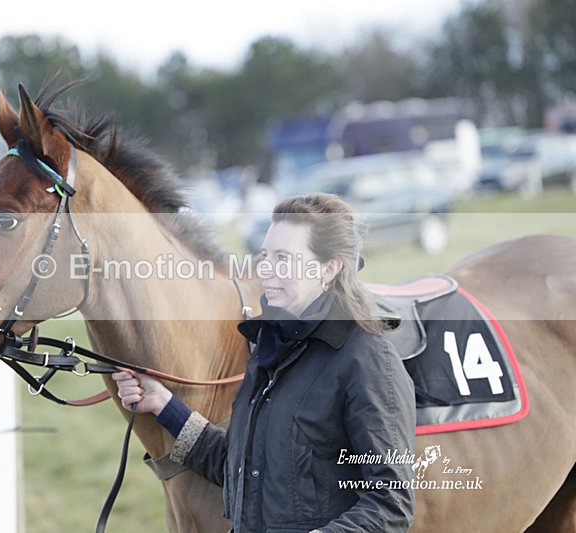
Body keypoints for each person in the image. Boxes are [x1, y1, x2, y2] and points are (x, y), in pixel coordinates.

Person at [113, 193, 416, 532]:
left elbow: (392, 504)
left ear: (329, 269)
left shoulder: (368, 359)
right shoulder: (271, 348)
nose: (266, 270)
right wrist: (165, 405)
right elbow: (241, 466)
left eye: (284, 258)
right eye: (265, 255)